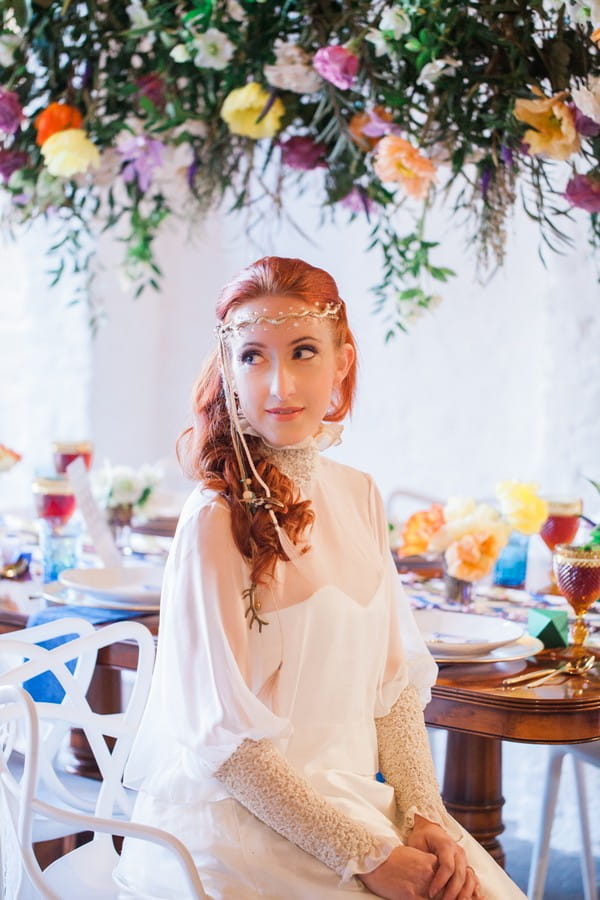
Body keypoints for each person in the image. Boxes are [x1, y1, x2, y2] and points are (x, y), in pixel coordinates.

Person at [114, 257, 525, 900]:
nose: (279, 385)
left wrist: (423, 815)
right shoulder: (213, 521)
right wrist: (366, 858)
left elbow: (391, 695)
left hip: (357, 802)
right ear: (229, 371)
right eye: (253, 356)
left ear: (341, 362)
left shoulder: (360, 494)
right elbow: (226, 749)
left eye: (303, 351)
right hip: (240, 827)